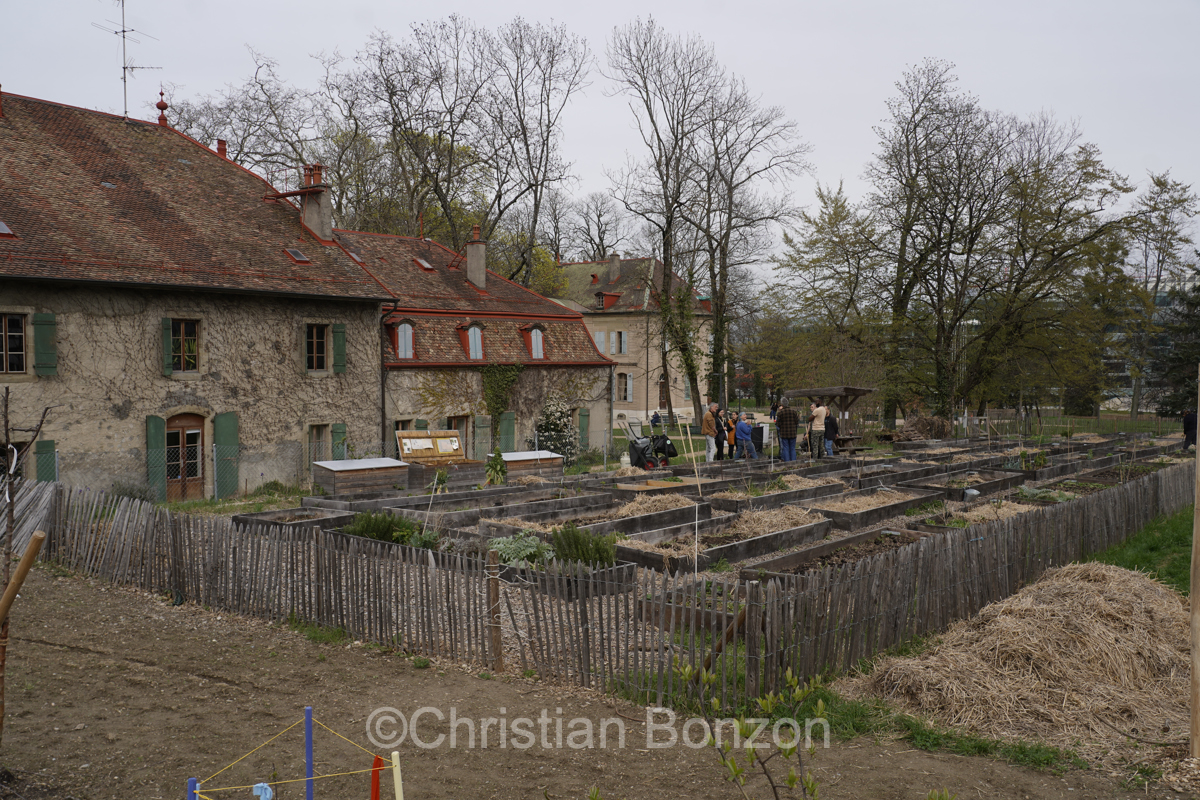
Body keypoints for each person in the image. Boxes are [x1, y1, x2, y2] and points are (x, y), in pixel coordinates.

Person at [775, 398, 800, 462]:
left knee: (785, 448)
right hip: (792, 433)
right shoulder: (794, 412)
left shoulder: (780, 413)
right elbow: (797, 422)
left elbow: (777, 424)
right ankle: (794, 462)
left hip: (784, 433)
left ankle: (787, 462)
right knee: (792, 448)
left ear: (782, 404)